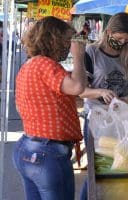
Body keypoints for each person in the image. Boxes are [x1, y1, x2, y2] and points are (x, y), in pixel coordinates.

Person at [13, 16, 86, 200]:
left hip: (28, 147)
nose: (69, 46)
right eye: (67, 41)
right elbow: (77, 87)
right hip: (47, 152)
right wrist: (79, 56)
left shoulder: (30, 65)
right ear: (54, 40)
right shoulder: (46, 65)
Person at [79, 12, 128, 200]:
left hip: (121, 120)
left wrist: (126, 99)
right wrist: (100, 93)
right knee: (96, 169)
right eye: (118, 38)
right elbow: (81, 90)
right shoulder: (91, 53)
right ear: (108, 32)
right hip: (96, 119)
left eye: (126, 39)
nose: (121, 42)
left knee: (120, 166)